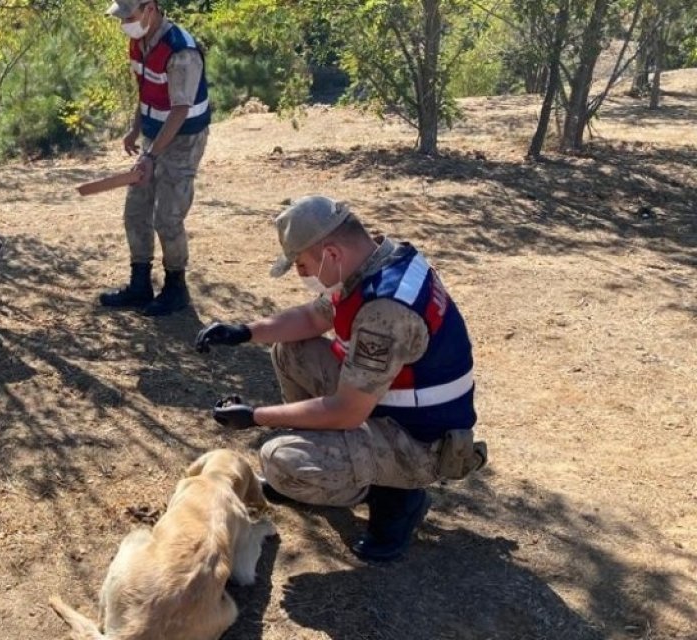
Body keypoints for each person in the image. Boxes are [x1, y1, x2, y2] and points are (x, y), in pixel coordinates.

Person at [194, 195, 486, 561]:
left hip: (418, 443)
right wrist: (244, 331)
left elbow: (347, 411)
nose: (301, 275)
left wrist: (256, 417)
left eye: (301, 264)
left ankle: (396, 496)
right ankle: (340, 466)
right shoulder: (374, 260)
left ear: (331, 253)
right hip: (389, 409)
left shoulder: (385, 310)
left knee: (281, 459)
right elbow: (315, 318)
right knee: (290, 349)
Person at [100, 0, 210, 316]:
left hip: (184, 138)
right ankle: (140, 285)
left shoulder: (181, 51)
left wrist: (150, 155)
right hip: (153, 134)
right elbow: (146, 91)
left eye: (128, 16)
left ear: (150, 9)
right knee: (136, 208)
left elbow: (179, 110)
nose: (124, 24)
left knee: (168, 216)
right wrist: (136, 130)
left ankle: (176, 287)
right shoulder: (140, 43)